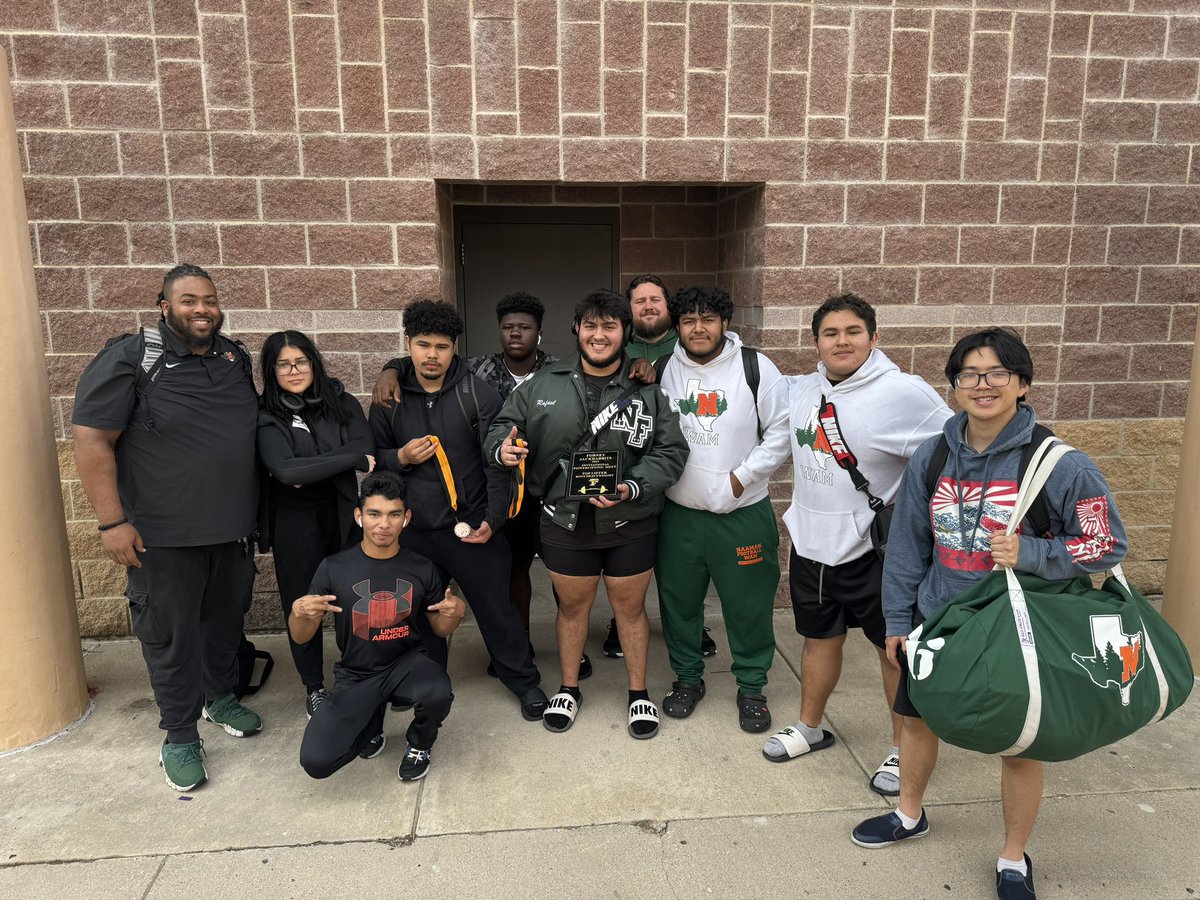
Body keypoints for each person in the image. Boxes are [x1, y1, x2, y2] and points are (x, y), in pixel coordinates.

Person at [851, 328, 1127, 900]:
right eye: (969, 375)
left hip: (1015, 631)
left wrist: (1035, 553)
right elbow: (906, 547)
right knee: (916, 721)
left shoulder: (1058, 464)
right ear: (953, 387)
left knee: (1020, 743)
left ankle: (1012, 856)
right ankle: (909, 814)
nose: (983, 385)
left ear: (1022, 383)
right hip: (940, 624)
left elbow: (1107, 544)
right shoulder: (933, 454)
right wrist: (898, 622)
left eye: (998, 373)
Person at [72, 263, 262, 792]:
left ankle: (219, 698)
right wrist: (112, 522)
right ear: (164, 306)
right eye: (189, 300)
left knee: (224, 626)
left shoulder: (233, 357)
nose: (202, 309)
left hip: (230, 533)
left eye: (209, 299)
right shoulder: (131, 358)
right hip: (163, 538)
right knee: (171, 639)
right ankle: (179, 735)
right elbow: (91, 441)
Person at [763, 294, 952, 798]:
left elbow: (952, 455)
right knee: (818, 638)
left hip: (877, 552)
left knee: (891, 652)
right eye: (830, 333)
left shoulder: (905, 393)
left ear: (874, 337)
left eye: (852, 331)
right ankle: (810, 726)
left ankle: (901, 746)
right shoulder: (801, 389)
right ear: (816, 342)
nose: (841, 341)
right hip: (811, 543)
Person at [485, 289, 689, 739]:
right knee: (572, 609)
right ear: (577, 329)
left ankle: (638, 693)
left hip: (629, 521)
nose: (599, 335)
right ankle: (569, 687)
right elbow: (503, 425)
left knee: (630, 610)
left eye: (610, 326)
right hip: (564, 521)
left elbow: (672, 451)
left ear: (625, 333)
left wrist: (632, 486)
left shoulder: (647, 392)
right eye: (591, 325)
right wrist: (502, 448)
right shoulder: (543, 382)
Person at [368, 300, 548, 722]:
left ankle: (523, 681)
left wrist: (493, 518)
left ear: (455, 348)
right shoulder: (389, 398)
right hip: (413, 531)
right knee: (417, 614)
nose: (432, 355)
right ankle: (423, 682)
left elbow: (496, 461)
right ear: (408, 344)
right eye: (423, 344)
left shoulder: (477, 392)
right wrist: (401, 458)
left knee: (497, 609)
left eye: (443, 346)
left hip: (470, 527)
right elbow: (372, 459)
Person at [653, 286, 791, 732]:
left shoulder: (755, 367)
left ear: (725, 324)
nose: (698, 327)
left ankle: (752, 687)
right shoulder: (661, 369)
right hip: (680, 514)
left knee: (748, 606)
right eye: (689, 319)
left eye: (708, 318)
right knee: (679, 605)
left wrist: (741, 477)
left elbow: (781, 431)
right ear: (677, 326)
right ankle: (688, 679)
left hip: (742, 514)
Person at [295, 472, 464, 783]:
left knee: (437, 691)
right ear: (359, 516)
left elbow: (440, 629)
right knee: (316, 761)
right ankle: (369, 726)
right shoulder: (334, 567)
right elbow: (301, 635)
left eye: (393, 514)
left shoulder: (421, 567)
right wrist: (299, 613)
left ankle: (420, 744)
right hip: (357, 672)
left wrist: (456, 613)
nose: (383, 524)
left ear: (406, 518)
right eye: (374, 514)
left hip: (406, 664)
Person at [461, 293, 584, 676]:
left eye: (524, 327)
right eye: (508, 327)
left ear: (539, 333)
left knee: (566, 573)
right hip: (503, 492)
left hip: (552, 488)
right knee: (513, 572)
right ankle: (520, 644)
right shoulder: (476, 370)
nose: (515, 333)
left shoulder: (563, 371)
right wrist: (392, 370)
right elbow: (425, 363)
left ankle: (573, 648)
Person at [257, 330, 375, 721]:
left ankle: (357, 673)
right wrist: (348, 458)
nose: (294, 371)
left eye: (301, 361)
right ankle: (314, 687)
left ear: (314, 362)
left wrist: (322, 464)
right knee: (304, 603)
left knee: (354, 597)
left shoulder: (338, 401)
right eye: (283, 364)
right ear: (271, 370)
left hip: (343, 512)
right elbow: (287, 470)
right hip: (294, 521)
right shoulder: (265, 413)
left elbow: (366, 445)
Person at [609, 273, 716, 659]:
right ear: (628, 310)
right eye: (640, 301)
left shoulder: (690, 347)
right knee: (625, 556)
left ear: (669, 308)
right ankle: (617, 623)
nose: (649, 306)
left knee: (684, 562)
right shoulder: (615, 348)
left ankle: (691, 624)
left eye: (656, 299)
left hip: (682, 470)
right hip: (631, 471)